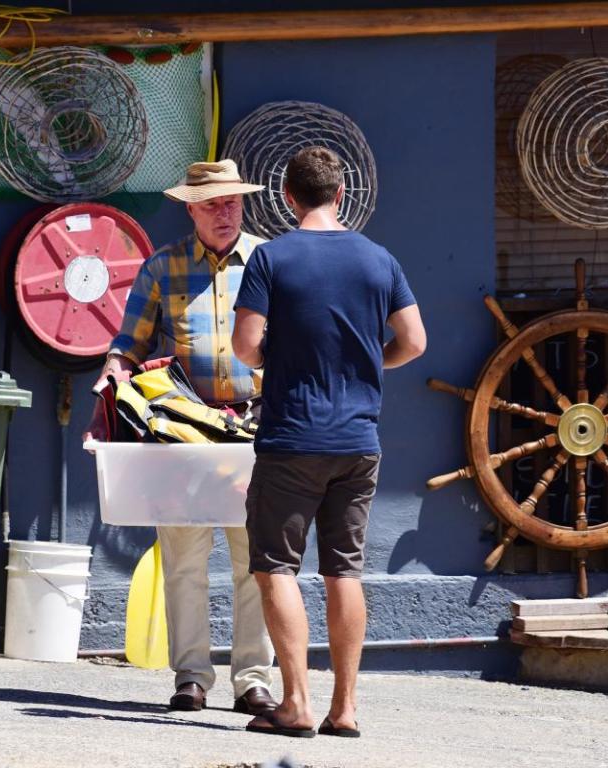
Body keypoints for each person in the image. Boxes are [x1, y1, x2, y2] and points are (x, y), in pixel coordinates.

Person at [231, 147, 427, 738]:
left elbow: (244, 346)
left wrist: (276, 359)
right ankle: (346, 709)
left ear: (288, 198)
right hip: (359, 439)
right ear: (340, 194)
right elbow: (414, 341)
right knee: (344, 571)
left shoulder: (270, 257)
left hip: (292, 436)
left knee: (276, 568)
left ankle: (296, 704)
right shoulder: (379, 259)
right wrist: (369, 364)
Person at [83, 159, 277, 716]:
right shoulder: (162, 266)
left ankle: (253, 681)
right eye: (212, 204)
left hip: (255, 429)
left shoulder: (269, 262)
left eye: (232, 202)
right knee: (185, 559)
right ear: (190, 209)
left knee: (255, 561)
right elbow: (130, 344)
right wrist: (113, 375)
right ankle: (191, 677)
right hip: (182, 430)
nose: (224, 212)